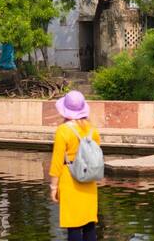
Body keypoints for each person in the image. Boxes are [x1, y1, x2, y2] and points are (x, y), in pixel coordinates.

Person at [50, 91, 103, 240]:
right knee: (89, 224)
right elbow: (96, 155)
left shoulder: (63, 130)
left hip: (70, 179)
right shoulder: (92, 130)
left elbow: (57, 161)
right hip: (89, 179)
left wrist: (54, 187)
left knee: (73, 225)